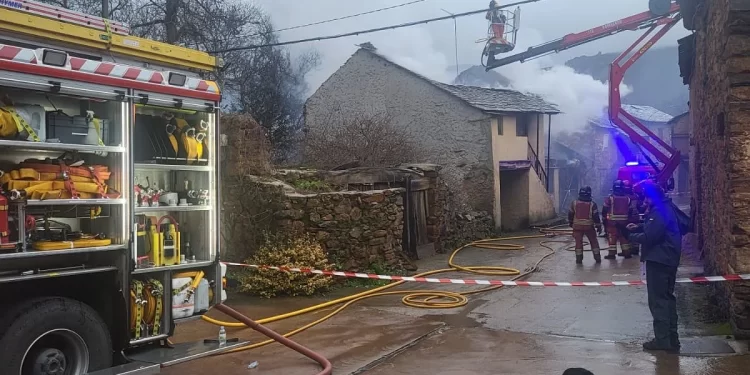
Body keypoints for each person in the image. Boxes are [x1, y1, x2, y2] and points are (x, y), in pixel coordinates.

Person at [624, 182, 682, 352]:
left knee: (658, 302)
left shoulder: (659, 212)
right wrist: (640, 225)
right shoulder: (665, 208)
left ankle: (662, 341)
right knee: (668, 299)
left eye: (647, 197)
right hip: (668, 259)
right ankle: (672, 339)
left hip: (660, 261)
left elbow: (650, 237)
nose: (645, 200)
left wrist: (629, 235)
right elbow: (654, 227)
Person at [601, 180, 637, 259]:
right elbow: (631, 210)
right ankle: (626, 253)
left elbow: (604, 209)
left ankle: (612, 254)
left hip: (612, 223)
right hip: (624, 223)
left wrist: (604, 218)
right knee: (623, 237)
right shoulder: (628, 199)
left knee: (612, 237)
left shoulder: (610, 198)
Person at [568, 186, 602, 264]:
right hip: (589, 227)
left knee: (578, 243)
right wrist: (598, 226)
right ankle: (597, 258)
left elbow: (570, 214)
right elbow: (596, 217)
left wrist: (570, 223)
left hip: (577, 226)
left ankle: (579, 260)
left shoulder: (574, 203)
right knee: (593, 241)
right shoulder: (593, 204)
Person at [623, 180, 641, 256]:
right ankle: (635, 249)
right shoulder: (636, 196)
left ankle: (629, 250)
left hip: (628, 217)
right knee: (635, 231)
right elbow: (640, 206)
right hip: (636, 217)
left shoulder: (624, 197)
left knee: (628, 232)